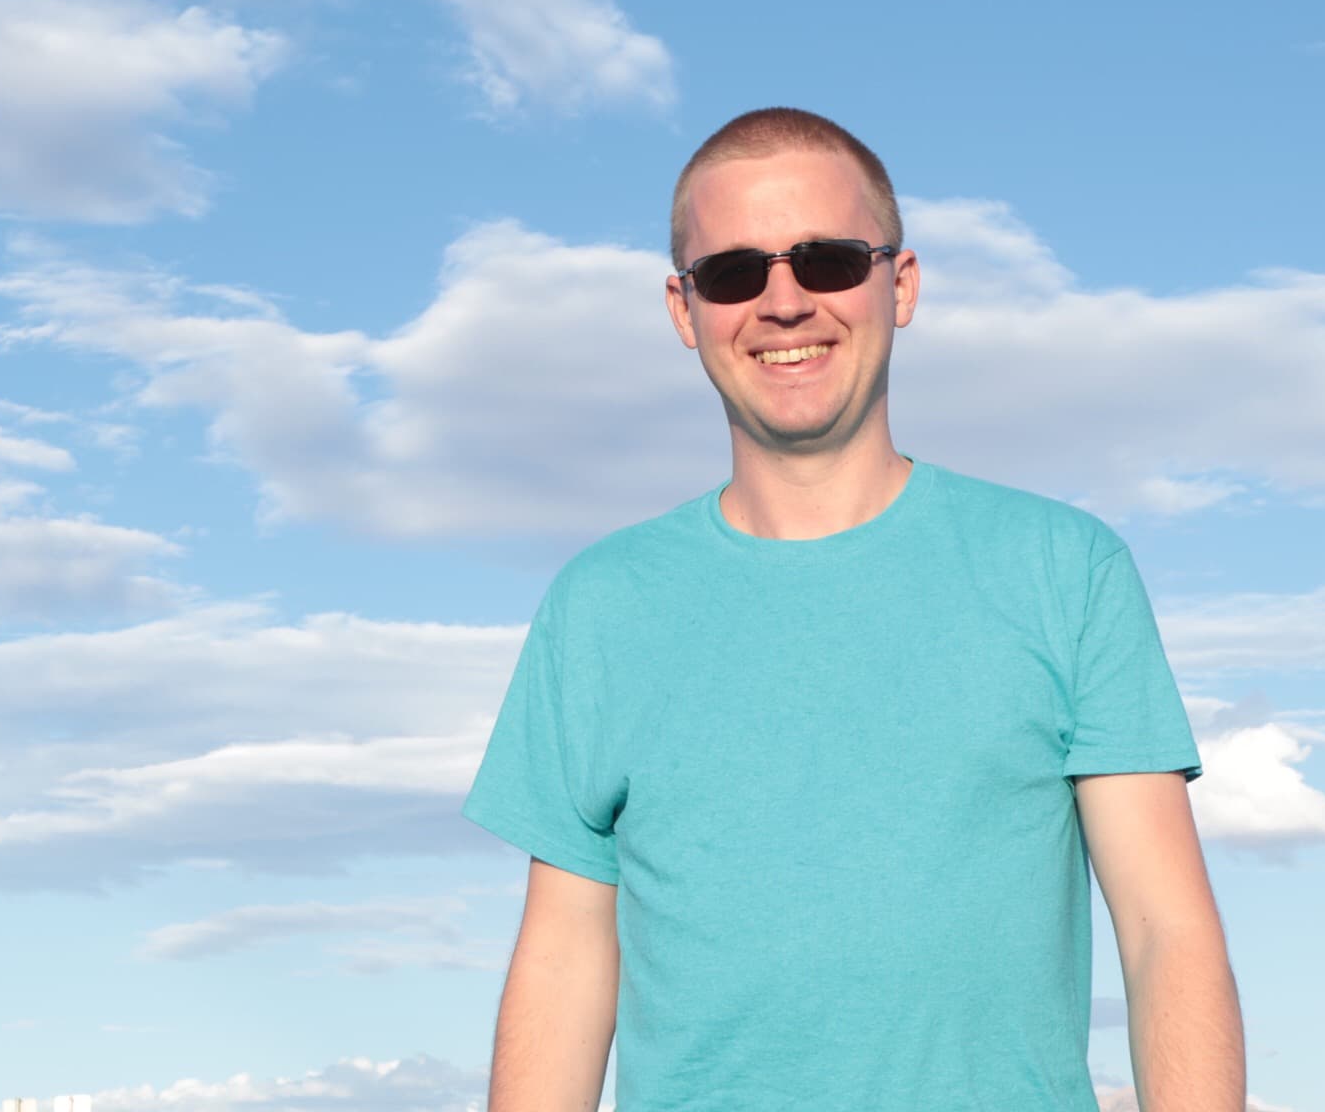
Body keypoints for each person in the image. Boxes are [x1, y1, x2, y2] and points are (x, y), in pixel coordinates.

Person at [461, 107, 1243, 1111]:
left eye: (827, 260)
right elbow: (564, 962)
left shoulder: (1064, 568)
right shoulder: (601, 605)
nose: (783, 303)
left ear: (900, 283)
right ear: (682, 307)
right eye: (734, 273)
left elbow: (1165, 933)